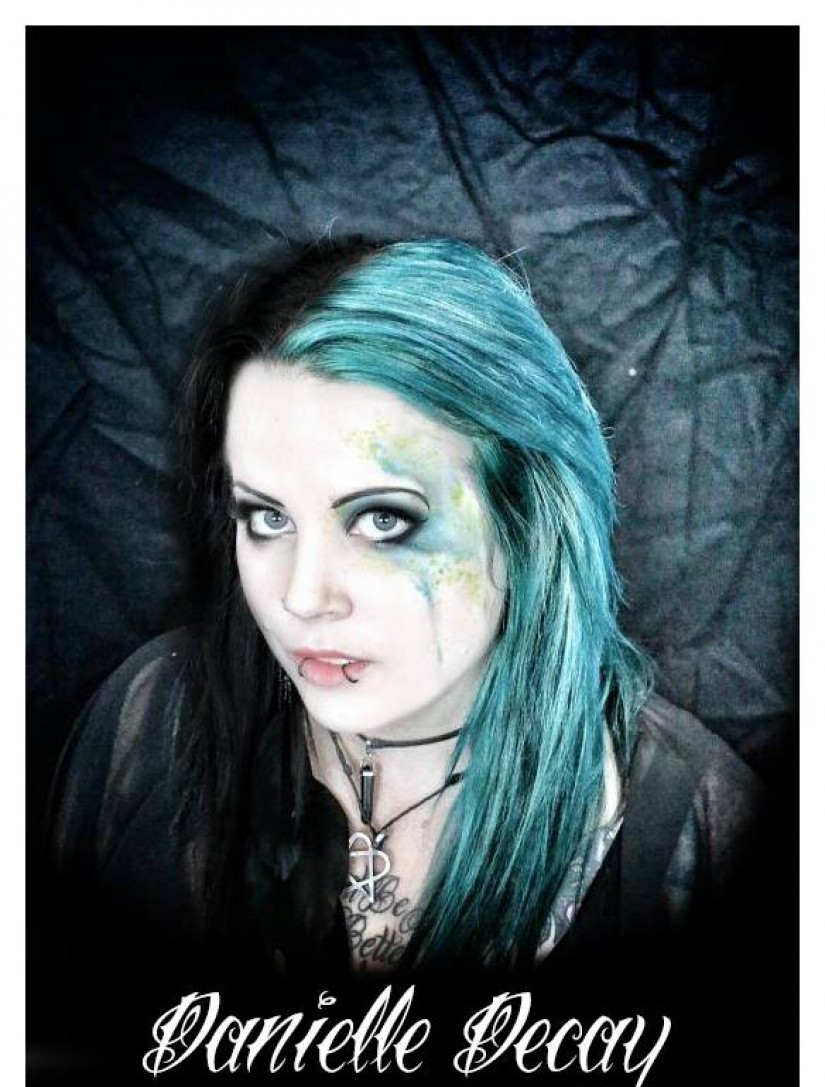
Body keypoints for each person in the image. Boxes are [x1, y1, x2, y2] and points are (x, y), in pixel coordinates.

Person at [49, 238, 766, 976]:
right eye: (267, 517)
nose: (302, 597)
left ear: (527, 519)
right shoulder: (149, 725)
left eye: (383, 519)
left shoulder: (697, 835)